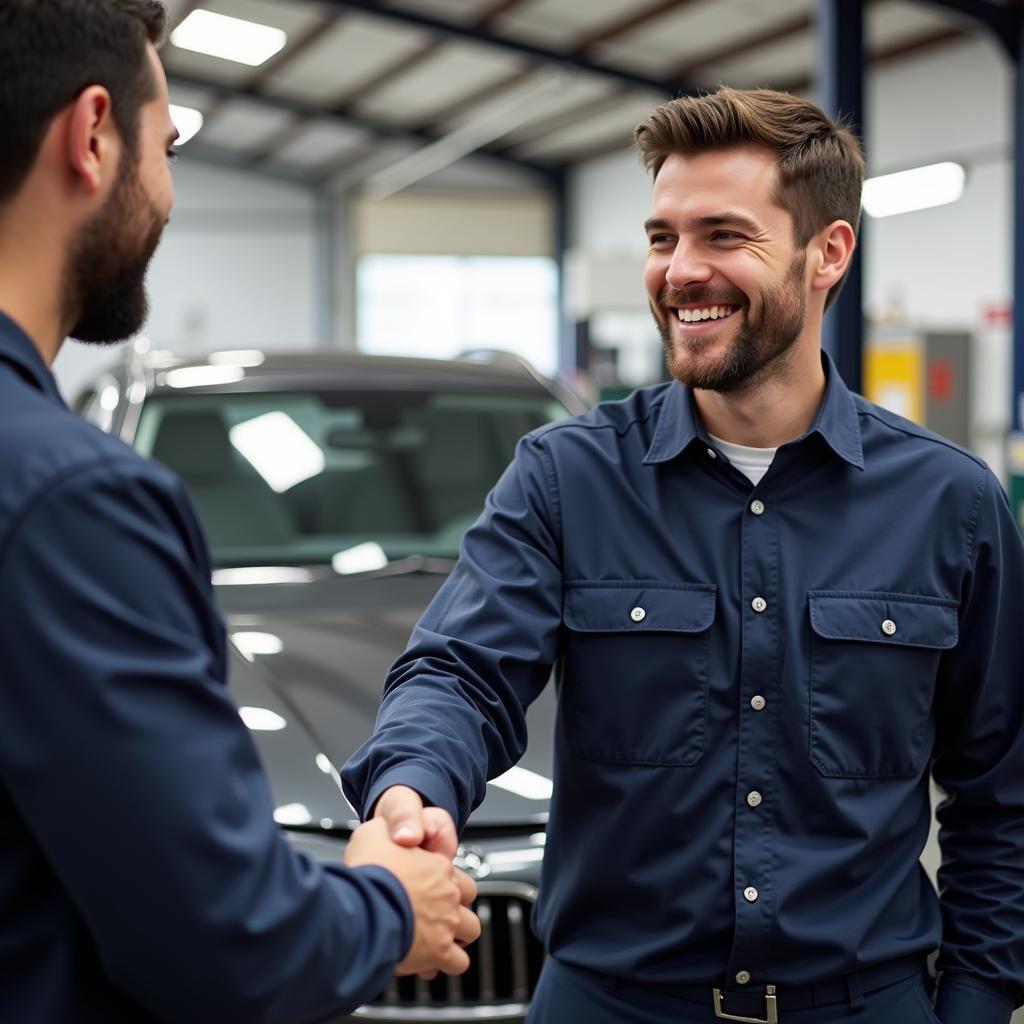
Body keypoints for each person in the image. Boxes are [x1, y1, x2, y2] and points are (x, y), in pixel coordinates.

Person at [343, 86, 1024, 1024]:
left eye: (723, 236)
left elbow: (1003, 791)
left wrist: (980, 1003)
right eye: (663, 239)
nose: (679, 271)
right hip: (611, 1004)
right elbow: (461, 671)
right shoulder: (566, 478)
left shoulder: (949, 503)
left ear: (828, 254)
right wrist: (411, 792)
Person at [0, 2, 479, 1021]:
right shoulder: (72, 499)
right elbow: (228, 938)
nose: (167, 192)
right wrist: (388, 904)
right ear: (93, 136)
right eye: (166, 146)